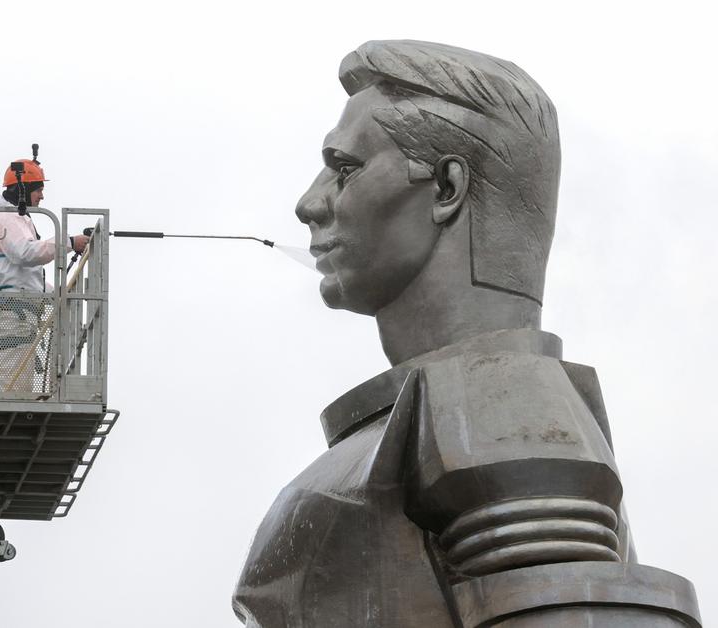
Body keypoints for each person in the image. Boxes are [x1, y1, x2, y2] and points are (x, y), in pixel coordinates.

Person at [232, 41, 700, 627]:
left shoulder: (495, 408)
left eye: (346, 168)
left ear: (447, 188)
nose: (309, 203)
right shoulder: (453, 410)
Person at [0, 159, 89, 394]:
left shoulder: (14, 217)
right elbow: (25, 253)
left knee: (17, 384)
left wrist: (56, 293)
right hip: (13, 313)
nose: (41, 197)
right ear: (23, 189)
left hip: (18, 311)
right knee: (10, 387)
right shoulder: (5, 216)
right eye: (38, 190)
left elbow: (23, 277)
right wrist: (68, 243)